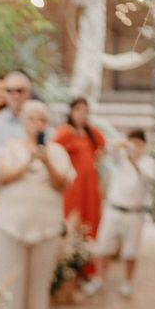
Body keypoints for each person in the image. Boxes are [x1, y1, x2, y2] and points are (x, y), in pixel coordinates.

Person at [0, 101, 75, 309]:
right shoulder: (10, 147)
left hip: (46, 223)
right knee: (10, 276)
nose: (36, 123)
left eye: (41, 119)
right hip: (11, 222)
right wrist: (28, 161)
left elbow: (62, 183)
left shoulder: (57, 151)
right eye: (32, 118)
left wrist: (46, 160)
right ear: (23, 122)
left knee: (41, 277)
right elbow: (3, 177)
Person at [84, 129, 155, 299]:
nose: (135, 147)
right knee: (102, 247)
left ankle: (127, 282)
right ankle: (99, 279)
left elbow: (147, 178)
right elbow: (107, 147)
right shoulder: (119, 158)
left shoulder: (148, 162)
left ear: (144, 145)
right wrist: (123, 144)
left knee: (131, 251)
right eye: (132, 143)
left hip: (135, 213)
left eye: (138, 144)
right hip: (113, 209)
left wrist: (134, 158)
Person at [54, 98, 106, 239]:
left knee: (91, 215)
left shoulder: (90, 132)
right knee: (73, 215)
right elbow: (54, 147)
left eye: (85, 111)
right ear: (71, 112)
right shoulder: (65, 131)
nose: (82, 114)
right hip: (74, 183)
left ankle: (89, 254)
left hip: (90, 181)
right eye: (78, 110)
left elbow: (102, 145)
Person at [0, 71, 33, 167]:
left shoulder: (40, 118)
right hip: (6, 176)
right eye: (9, 91)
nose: (15, 95)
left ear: (29, 93)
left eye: (20, 90)